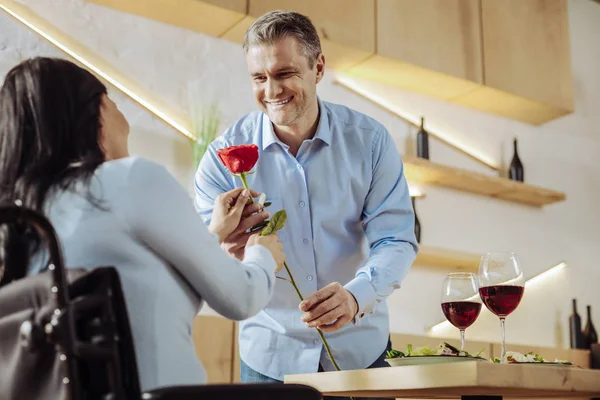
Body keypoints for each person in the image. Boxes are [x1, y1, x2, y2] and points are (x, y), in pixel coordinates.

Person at [0, 57, 285, 391]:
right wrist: (262, 255)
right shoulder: (129, 178)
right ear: (96, 114)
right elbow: (241, 297)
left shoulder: (19, 222)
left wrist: (212, 237)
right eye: (110, 99)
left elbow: (134, 294)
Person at [194, 10, 418, 398]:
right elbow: (199, 258)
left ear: (318, 68)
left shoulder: (370, 142)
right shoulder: (221, 159)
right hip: (269, 359)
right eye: (259, 78)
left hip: (361, 352)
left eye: (284, 74)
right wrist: (222, 246)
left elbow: (396, 239)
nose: (271, 90)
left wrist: (355, 296)